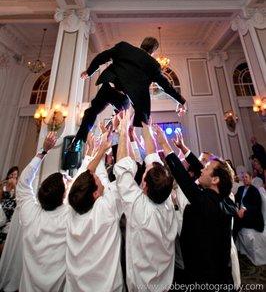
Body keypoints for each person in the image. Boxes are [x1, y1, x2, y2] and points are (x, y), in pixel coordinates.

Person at [69, 37, 186, 151]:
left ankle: (79, 140)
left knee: (92, 111)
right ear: (153, 51)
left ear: (142, 44)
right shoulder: (153, 65)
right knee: (121, 119)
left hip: (109, 87)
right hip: (123, 97)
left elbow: (102, 57)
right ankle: (109, 136)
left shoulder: (124, 47)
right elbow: (166, 86)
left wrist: (89, 71)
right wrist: (181, 101)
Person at [154, 125, 236, 285]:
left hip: (207, 278)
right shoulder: (222, 198)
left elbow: (185, 181)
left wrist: (165, 145)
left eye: (206, 168)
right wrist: (183, 148)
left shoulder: (207, 202)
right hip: (214, 272)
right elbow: (202, 170)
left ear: (215, 180)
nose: (201, 170)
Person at [114, 112, 178, 291]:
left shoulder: (137, 206)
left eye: (143, 177)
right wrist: (145, 126)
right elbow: (152, 157)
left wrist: (123, 130)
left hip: (141, 285)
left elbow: (122, 167)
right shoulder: (165, 199)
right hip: (165, 281)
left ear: (145, 187)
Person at [65, 130, 124, 292]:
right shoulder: (106, 208)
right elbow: (125, 171)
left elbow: (85, 176)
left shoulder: (72, 208)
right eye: (97, 180)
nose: (98, 176)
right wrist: (123, 130)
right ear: (95, 193)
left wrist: (98, 151)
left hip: (75, 286)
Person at [16, 132, 69, 292]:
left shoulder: (29, 213)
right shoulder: (69, 217)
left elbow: (23, 183)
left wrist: (43, 151)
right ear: (63, 195)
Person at [233, 171, 264, 239]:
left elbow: (256, 205)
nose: (244, 179)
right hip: (241, 211)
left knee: (236, 219)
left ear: (251, 178)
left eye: (246, 177)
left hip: (251, 214)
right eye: (243, 177)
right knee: (232, 216)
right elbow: (235, 199)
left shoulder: (254, 190)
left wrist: (244, 208)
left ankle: (232, 240)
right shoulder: (240, 189)